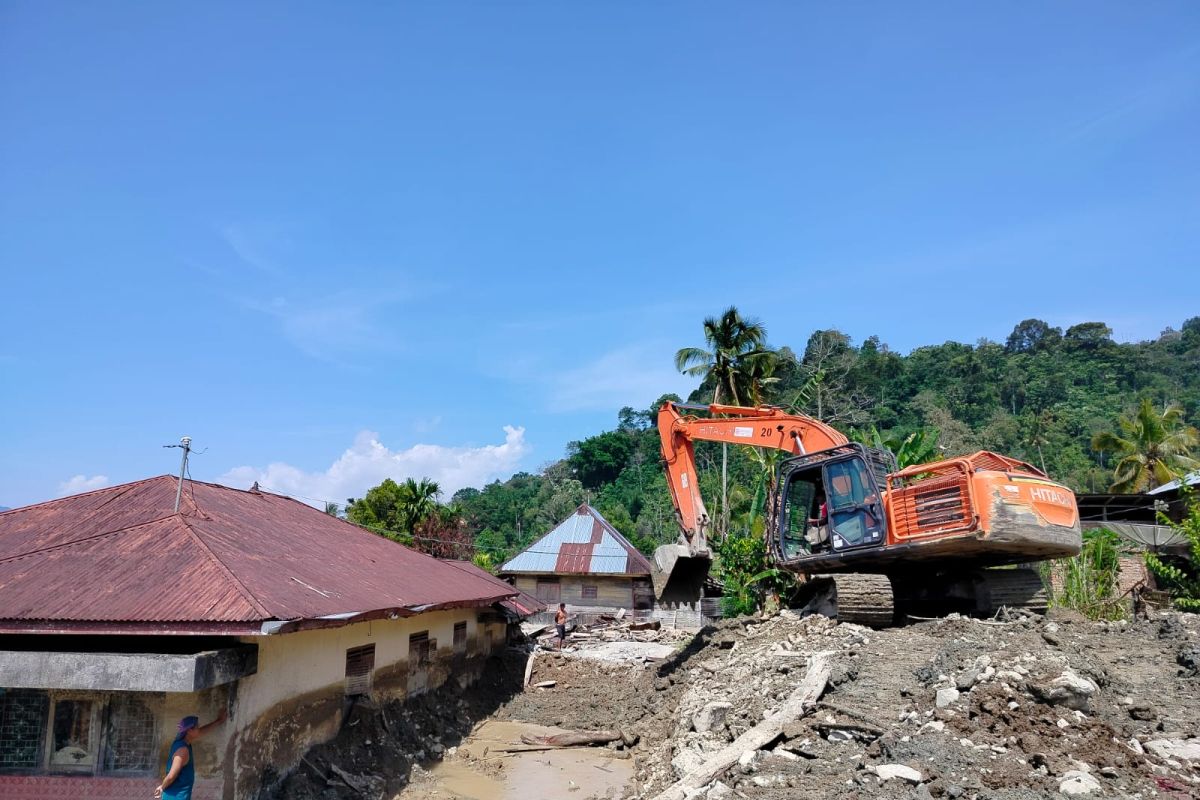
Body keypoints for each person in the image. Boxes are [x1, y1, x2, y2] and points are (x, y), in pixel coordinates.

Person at [154, 709, 227, 799]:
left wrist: (218, 721)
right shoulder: (182, 750)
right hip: (176, 797)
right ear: (189, 731)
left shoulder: (183, 740)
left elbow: (201, 731)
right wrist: (162, 787)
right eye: (197, 727)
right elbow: (171, 776)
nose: (199, 728)